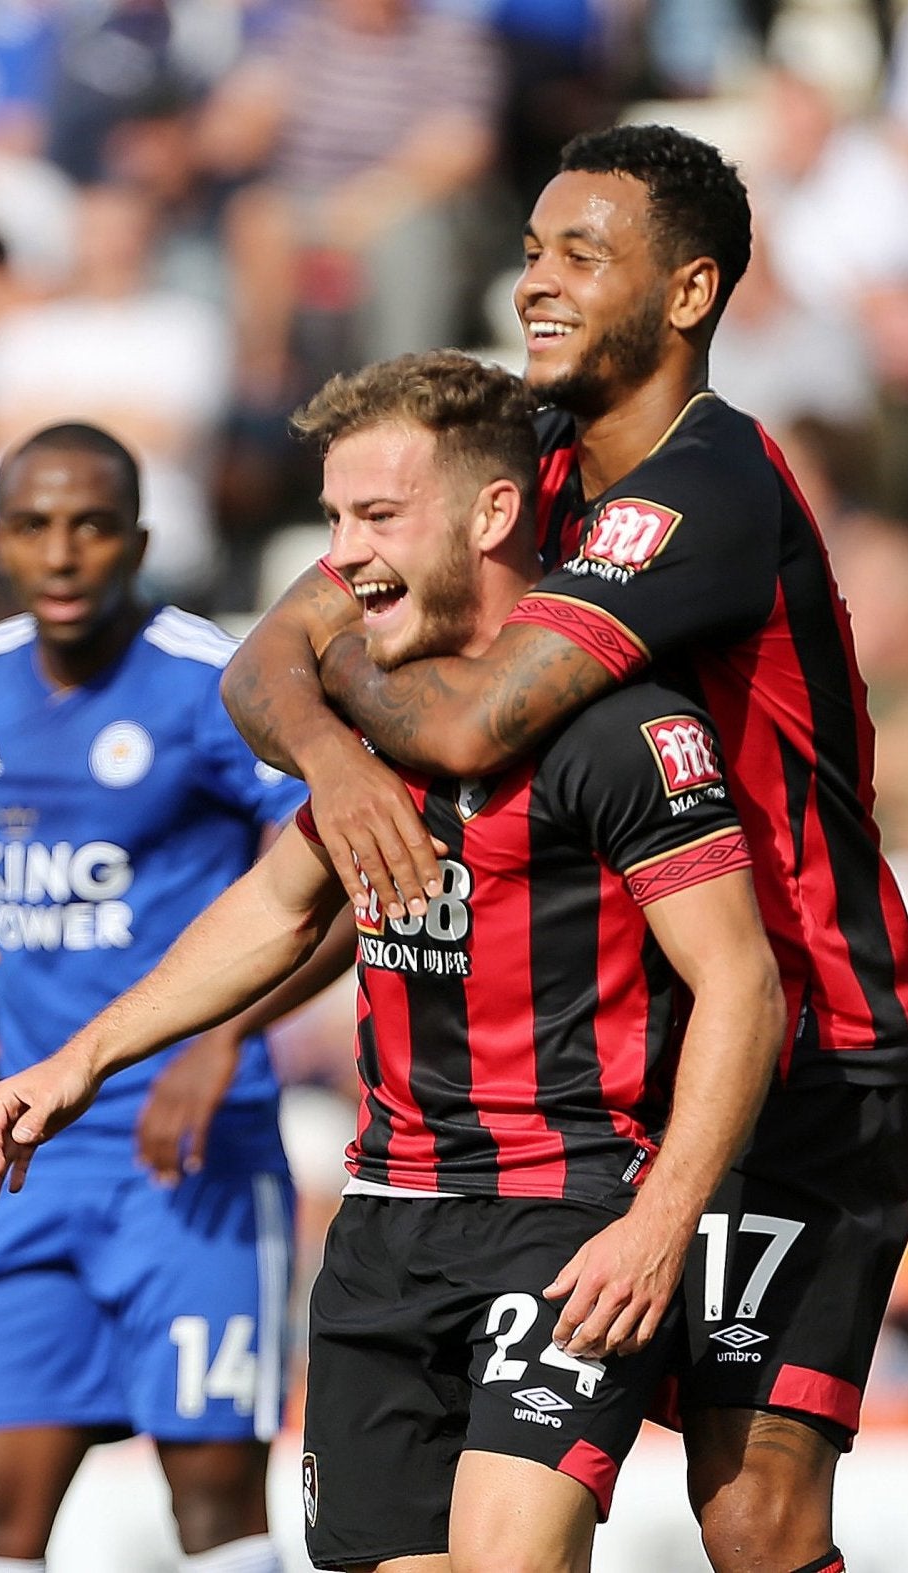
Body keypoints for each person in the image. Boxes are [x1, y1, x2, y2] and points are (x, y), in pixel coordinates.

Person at [223, 125, 908, 1573]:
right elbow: (258, 661)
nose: (536, 281)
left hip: (806, 1045)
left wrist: (340, 692)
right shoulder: (513, 456)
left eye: (582, 255)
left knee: (753, 1505)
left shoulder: (704, 489)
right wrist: (340, 760)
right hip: (623, 1065)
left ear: (686, 291)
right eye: (533, 249)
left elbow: (464, 725)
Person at [0, 353, 785, 1573]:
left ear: (494, 513)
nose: (342, 555)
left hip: (562, 1216)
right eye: (335, 517)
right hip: (383, 1227)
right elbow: (273, 908)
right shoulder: (382, 725)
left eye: (378, 517)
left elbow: (743, 986)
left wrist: (659, 1223)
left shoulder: (625, 727)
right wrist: (84, 1056)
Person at [0, 420, 348, 1573]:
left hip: (189, 1146)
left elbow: (341, 880)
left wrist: (225, 1040)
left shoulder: (212, 680)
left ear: (137, 539)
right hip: (32, 1152)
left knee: (209, 1500)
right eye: (34, 526)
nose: (61, 553)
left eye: (91, 526)